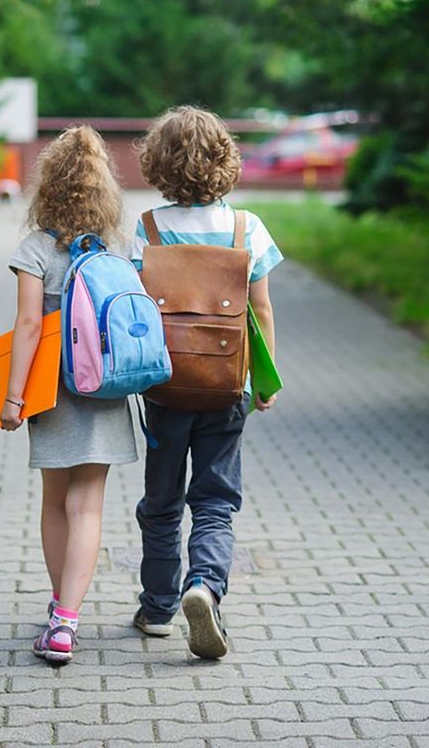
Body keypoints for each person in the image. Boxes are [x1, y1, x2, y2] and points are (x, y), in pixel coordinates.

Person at [130, 106, 282, 659]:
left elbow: (134, 312)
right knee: (216, 498)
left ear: (158, 163)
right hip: (226, 386)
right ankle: (206, 585)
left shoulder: (145, 228)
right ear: (225, 161)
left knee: (161, 500)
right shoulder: (247, 227)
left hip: (166, 385)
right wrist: (263, 380)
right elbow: (260, 312)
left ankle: (157, 608)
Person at [1, 126, 138, 664]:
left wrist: (14, 399)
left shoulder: (34, 248)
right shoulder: (119, 247)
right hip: (106, 387)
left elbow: (29, 326)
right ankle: (67, 621)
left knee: (55, 501)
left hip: (53, 391)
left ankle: (60, 612)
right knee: (89, 505)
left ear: (47, 186)